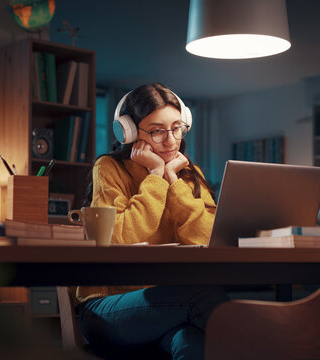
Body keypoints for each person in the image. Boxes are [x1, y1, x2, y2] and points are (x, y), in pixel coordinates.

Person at [76, 83, 229, 359]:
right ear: (128, 131)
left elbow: (207, 239)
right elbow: (122, 236)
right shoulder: (109, 168)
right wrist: (156, 177)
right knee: (202, 295)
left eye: (176, 128)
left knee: (191, 345)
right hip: (107, 309)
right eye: (157, 131)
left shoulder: (188, 173)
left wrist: (174, 180)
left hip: (169, 309)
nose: (171, 140)